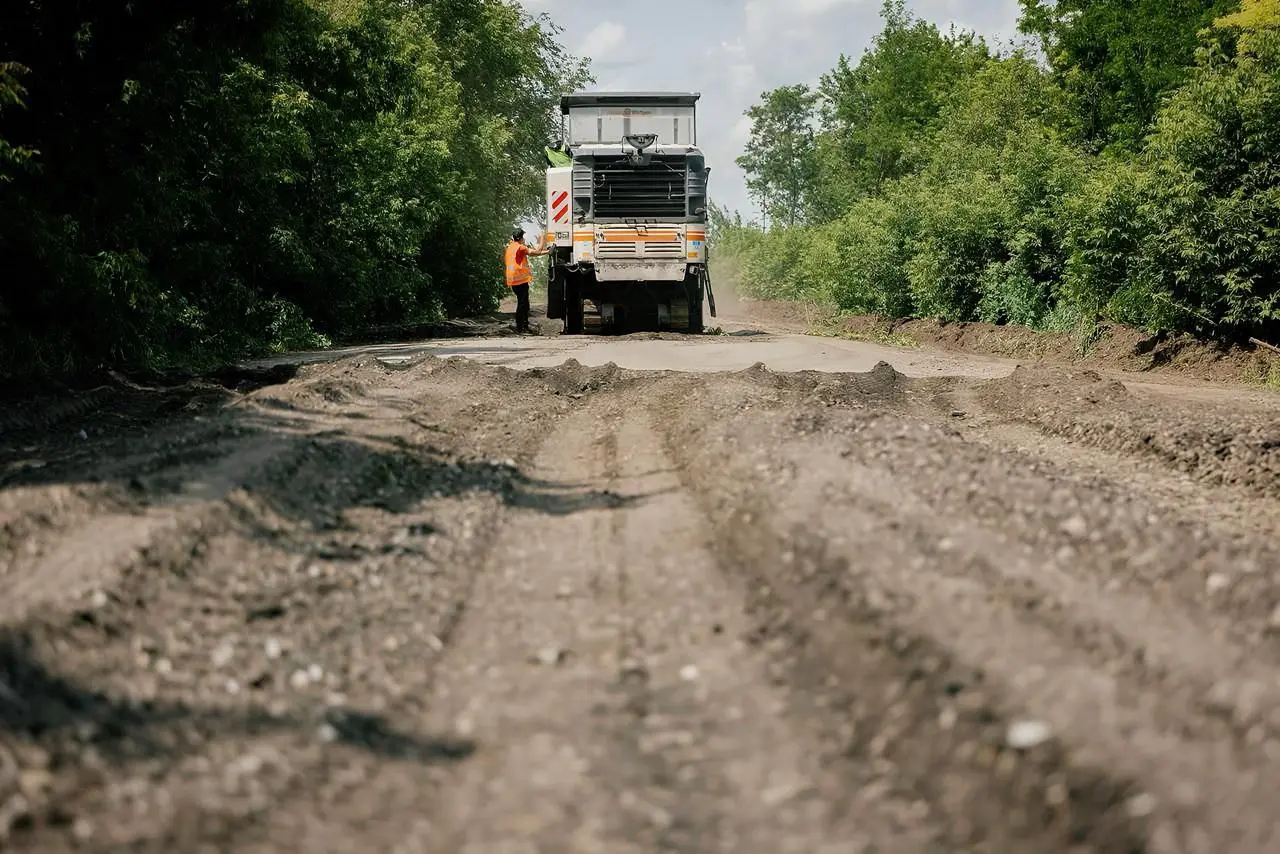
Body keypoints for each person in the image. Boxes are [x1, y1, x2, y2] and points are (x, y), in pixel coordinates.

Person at [504, 227, 551, 334]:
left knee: (525, 303)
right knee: (522, 304)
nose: (524, 239)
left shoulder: (511, 247)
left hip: (513, 280)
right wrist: (543, 238)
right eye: (523, 237)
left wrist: (548, 251)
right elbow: (537, 251)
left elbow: (534, 253)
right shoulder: (520, 247)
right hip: (520, 280)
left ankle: (524, 326)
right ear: (520, 238)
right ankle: (520, 327)